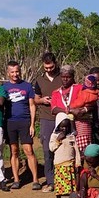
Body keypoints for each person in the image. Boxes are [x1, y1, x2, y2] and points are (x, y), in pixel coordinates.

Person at [2, 60, 40, 190]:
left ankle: (35, 180)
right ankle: (16, 179)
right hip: (10, 122)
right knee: (14, 151)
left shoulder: (27, 86)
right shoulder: (4, 88)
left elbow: (32, 105)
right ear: (8, 73)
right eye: (12, 72)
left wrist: (32, 124)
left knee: (28, 150)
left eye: (17, 71)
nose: (15, 74)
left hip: (24, 122)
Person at [32, 51, 61, 190]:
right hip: (46, 118)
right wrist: (42, 100)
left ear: (55, 63)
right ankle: (50, 181)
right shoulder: (39, 80)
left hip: (62, 118)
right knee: (47, 150)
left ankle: (62, 180)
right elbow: (35, 99)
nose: (49, 70)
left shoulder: (63, 77)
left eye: (51, 67)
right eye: (46, 67)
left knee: (61, 149)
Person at [48, 113, 77, 198]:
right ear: (58, 126)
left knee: (71, 185)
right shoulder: (54, 136)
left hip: (70, 164)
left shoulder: (71, 136)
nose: (64, 129)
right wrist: (58, 140)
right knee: (60, 186)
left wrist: (77, 162)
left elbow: (76, 150)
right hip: (60, 165)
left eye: (66, 126)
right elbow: (51, 148)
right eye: (62, 126)